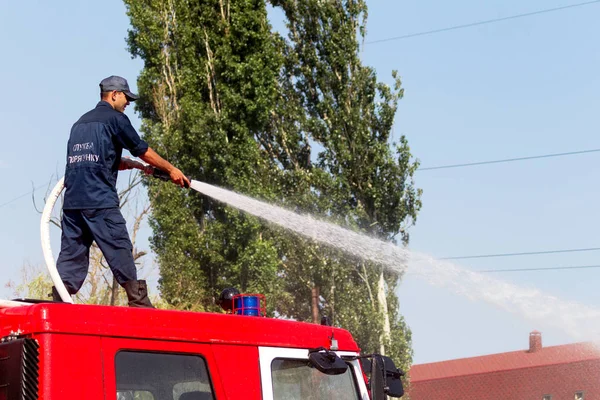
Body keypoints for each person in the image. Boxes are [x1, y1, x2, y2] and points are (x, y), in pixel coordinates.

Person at [53, 75, 190, 307]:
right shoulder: (116, 119)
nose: (128, 103)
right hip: (100, 201)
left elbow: (94, 159)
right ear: (114, 95)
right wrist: (171, 169)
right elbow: (142, 149)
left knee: (71, 257)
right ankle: (139, 303)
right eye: (126, 98)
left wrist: (133, 165)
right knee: (120, 247)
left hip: (73, 203)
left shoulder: (80, 123)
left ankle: (58, 304)